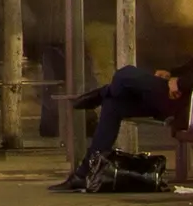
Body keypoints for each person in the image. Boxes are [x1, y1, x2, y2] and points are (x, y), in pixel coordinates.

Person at [50, 62, 181, 190]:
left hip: (182, 98)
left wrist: (179, 82)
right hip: (174, 93)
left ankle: (102, 93)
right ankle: (84, 173)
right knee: (112, 104)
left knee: (125, 74)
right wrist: (172, 75)